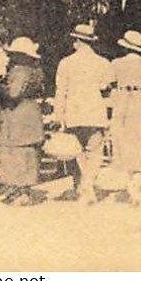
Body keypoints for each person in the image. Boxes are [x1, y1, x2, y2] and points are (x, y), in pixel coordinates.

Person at [50, 22, 113, 203]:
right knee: (93, 151)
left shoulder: (66, 63)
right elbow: (106, 87)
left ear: (77, 41)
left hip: (73, 114)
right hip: (95, 113)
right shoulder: (103, 63)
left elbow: (60, 91)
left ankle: (79, 185)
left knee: (74, 151)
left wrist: (58, 115)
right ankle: (89, 184)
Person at [109, 30, 141, 205]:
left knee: (123, 140)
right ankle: (136, 183)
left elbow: (107, 83)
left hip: (122, 101)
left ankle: (130, 182)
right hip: (140, 101)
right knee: (140, 140)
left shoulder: (116, 63)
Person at [0, 36, 46, 206]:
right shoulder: (34, 71)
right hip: (29, 114)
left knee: (18, 152)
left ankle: (21, 191)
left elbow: (14, 93)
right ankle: (23, 190)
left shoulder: (20, 71)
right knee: (27, 152)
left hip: (19, 116)